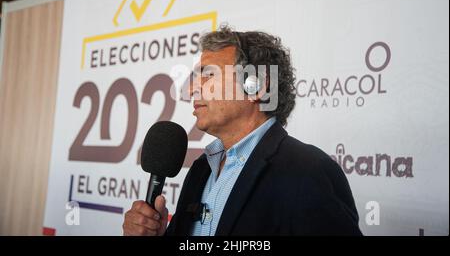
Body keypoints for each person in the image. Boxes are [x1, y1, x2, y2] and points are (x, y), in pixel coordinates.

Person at [122, 25, 362, 236]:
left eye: (207, 75)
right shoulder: (201, 170)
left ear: (256, 85)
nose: (193, 88)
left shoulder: (309, 172)